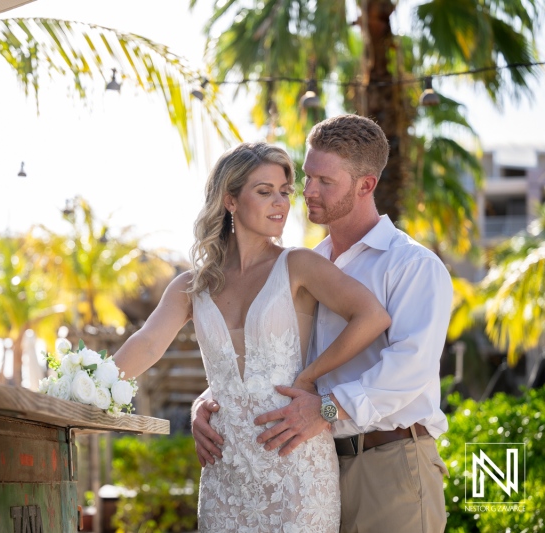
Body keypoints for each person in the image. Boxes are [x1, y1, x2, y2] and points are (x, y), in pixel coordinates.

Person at [191, 114, 453, 533]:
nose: (307, 191)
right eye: (308, 176)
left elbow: (410, 370)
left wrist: (325, 411)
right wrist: (208, 401)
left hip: (388, 468)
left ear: (365, 185)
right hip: (312, 471)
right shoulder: (303, 264)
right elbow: (276, 357)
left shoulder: (413, 266)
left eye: (324, 182)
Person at [113, 141, 391, 532]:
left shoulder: (298, 264)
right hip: (225, 470)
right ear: (230, 200)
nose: (280, 203)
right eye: (264, 192)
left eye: (284, 192)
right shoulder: (191, 286)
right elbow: (146, 344)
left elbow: (371, 316)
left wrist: (310, 376)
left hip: (296, 465)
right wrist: (86, 386)